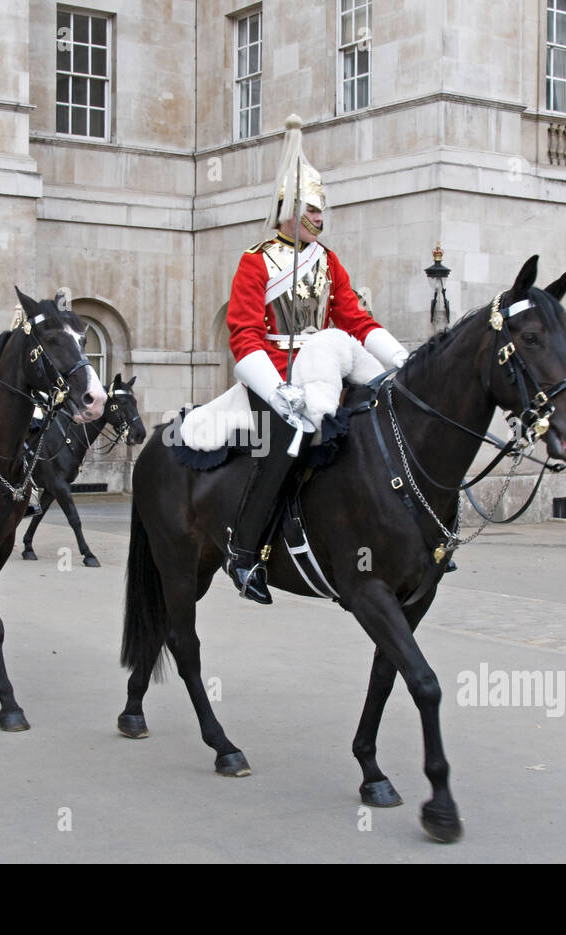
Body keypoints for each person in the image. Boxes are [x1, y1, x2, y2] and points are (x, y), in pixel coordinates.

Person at [222, 115, 411, 604]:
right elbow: (243, 334)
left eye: (322, 209)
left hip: (328, 368)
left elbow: (356, 321)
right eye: (311, 207)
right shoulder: (256, 260)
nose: (320, 218)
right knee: (285, 441)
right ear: (289, 207)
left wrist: (398, 358)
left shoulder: (329, 261)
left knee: (381, 424)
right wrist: (276, 388)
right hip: (275, 375)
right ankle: (245, 554)